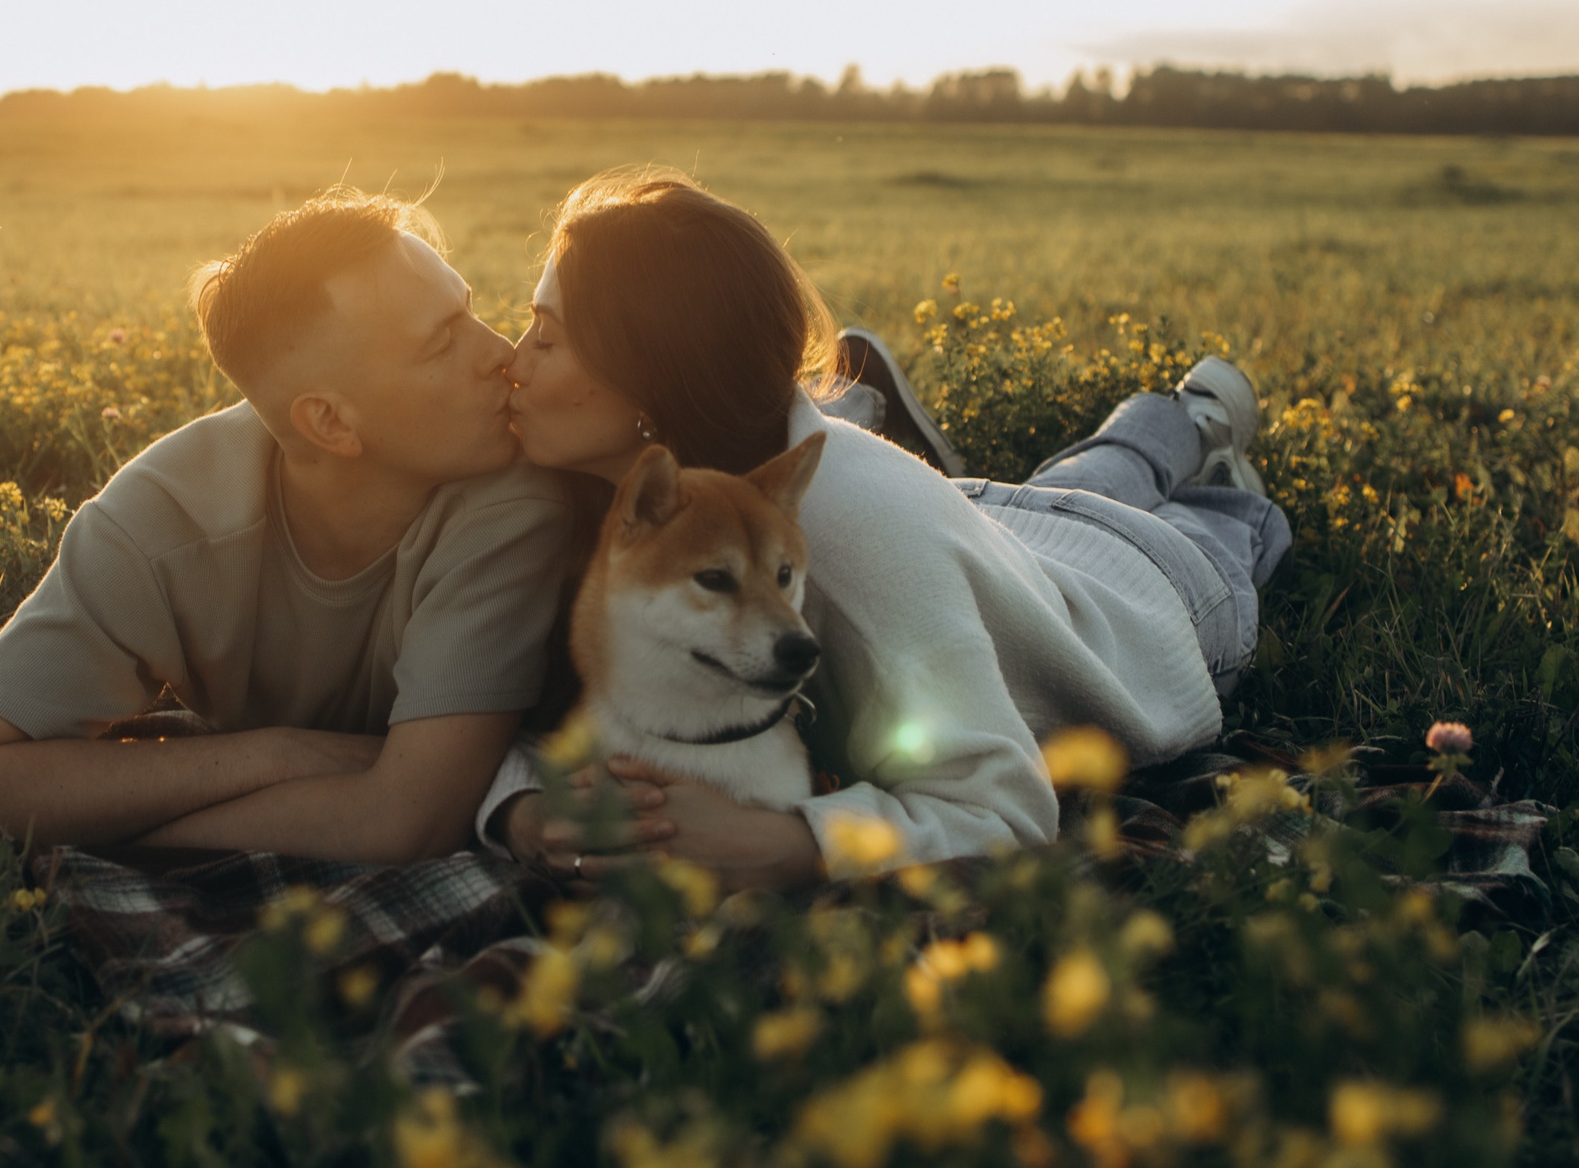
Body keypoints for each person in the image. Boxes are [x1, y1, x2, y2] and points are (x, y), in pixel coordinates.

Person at [487, 168, 1291, 889]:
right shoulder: (610, 500)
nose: (511, 360)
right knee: (1077, 479)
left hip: (1151, 608)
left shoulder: (854, 548)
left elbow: (1005, 808)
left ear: (647, 386)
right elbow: (495, 724)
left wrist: (796, 840)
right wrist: (525, 811)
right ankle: (1179, 419)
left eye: (546, 338)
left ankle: (1207, 437)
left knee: (1194, 518)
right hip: (992, 529)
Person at [0, 189, 576, 863]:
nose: (502, 354)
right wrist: (280, 753)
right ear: (330, 423)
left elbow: (411, 822)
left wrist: (144, 842)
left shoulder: (509, 494)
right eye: (441, 343)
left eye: (471, 312)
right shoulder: (157, 524)